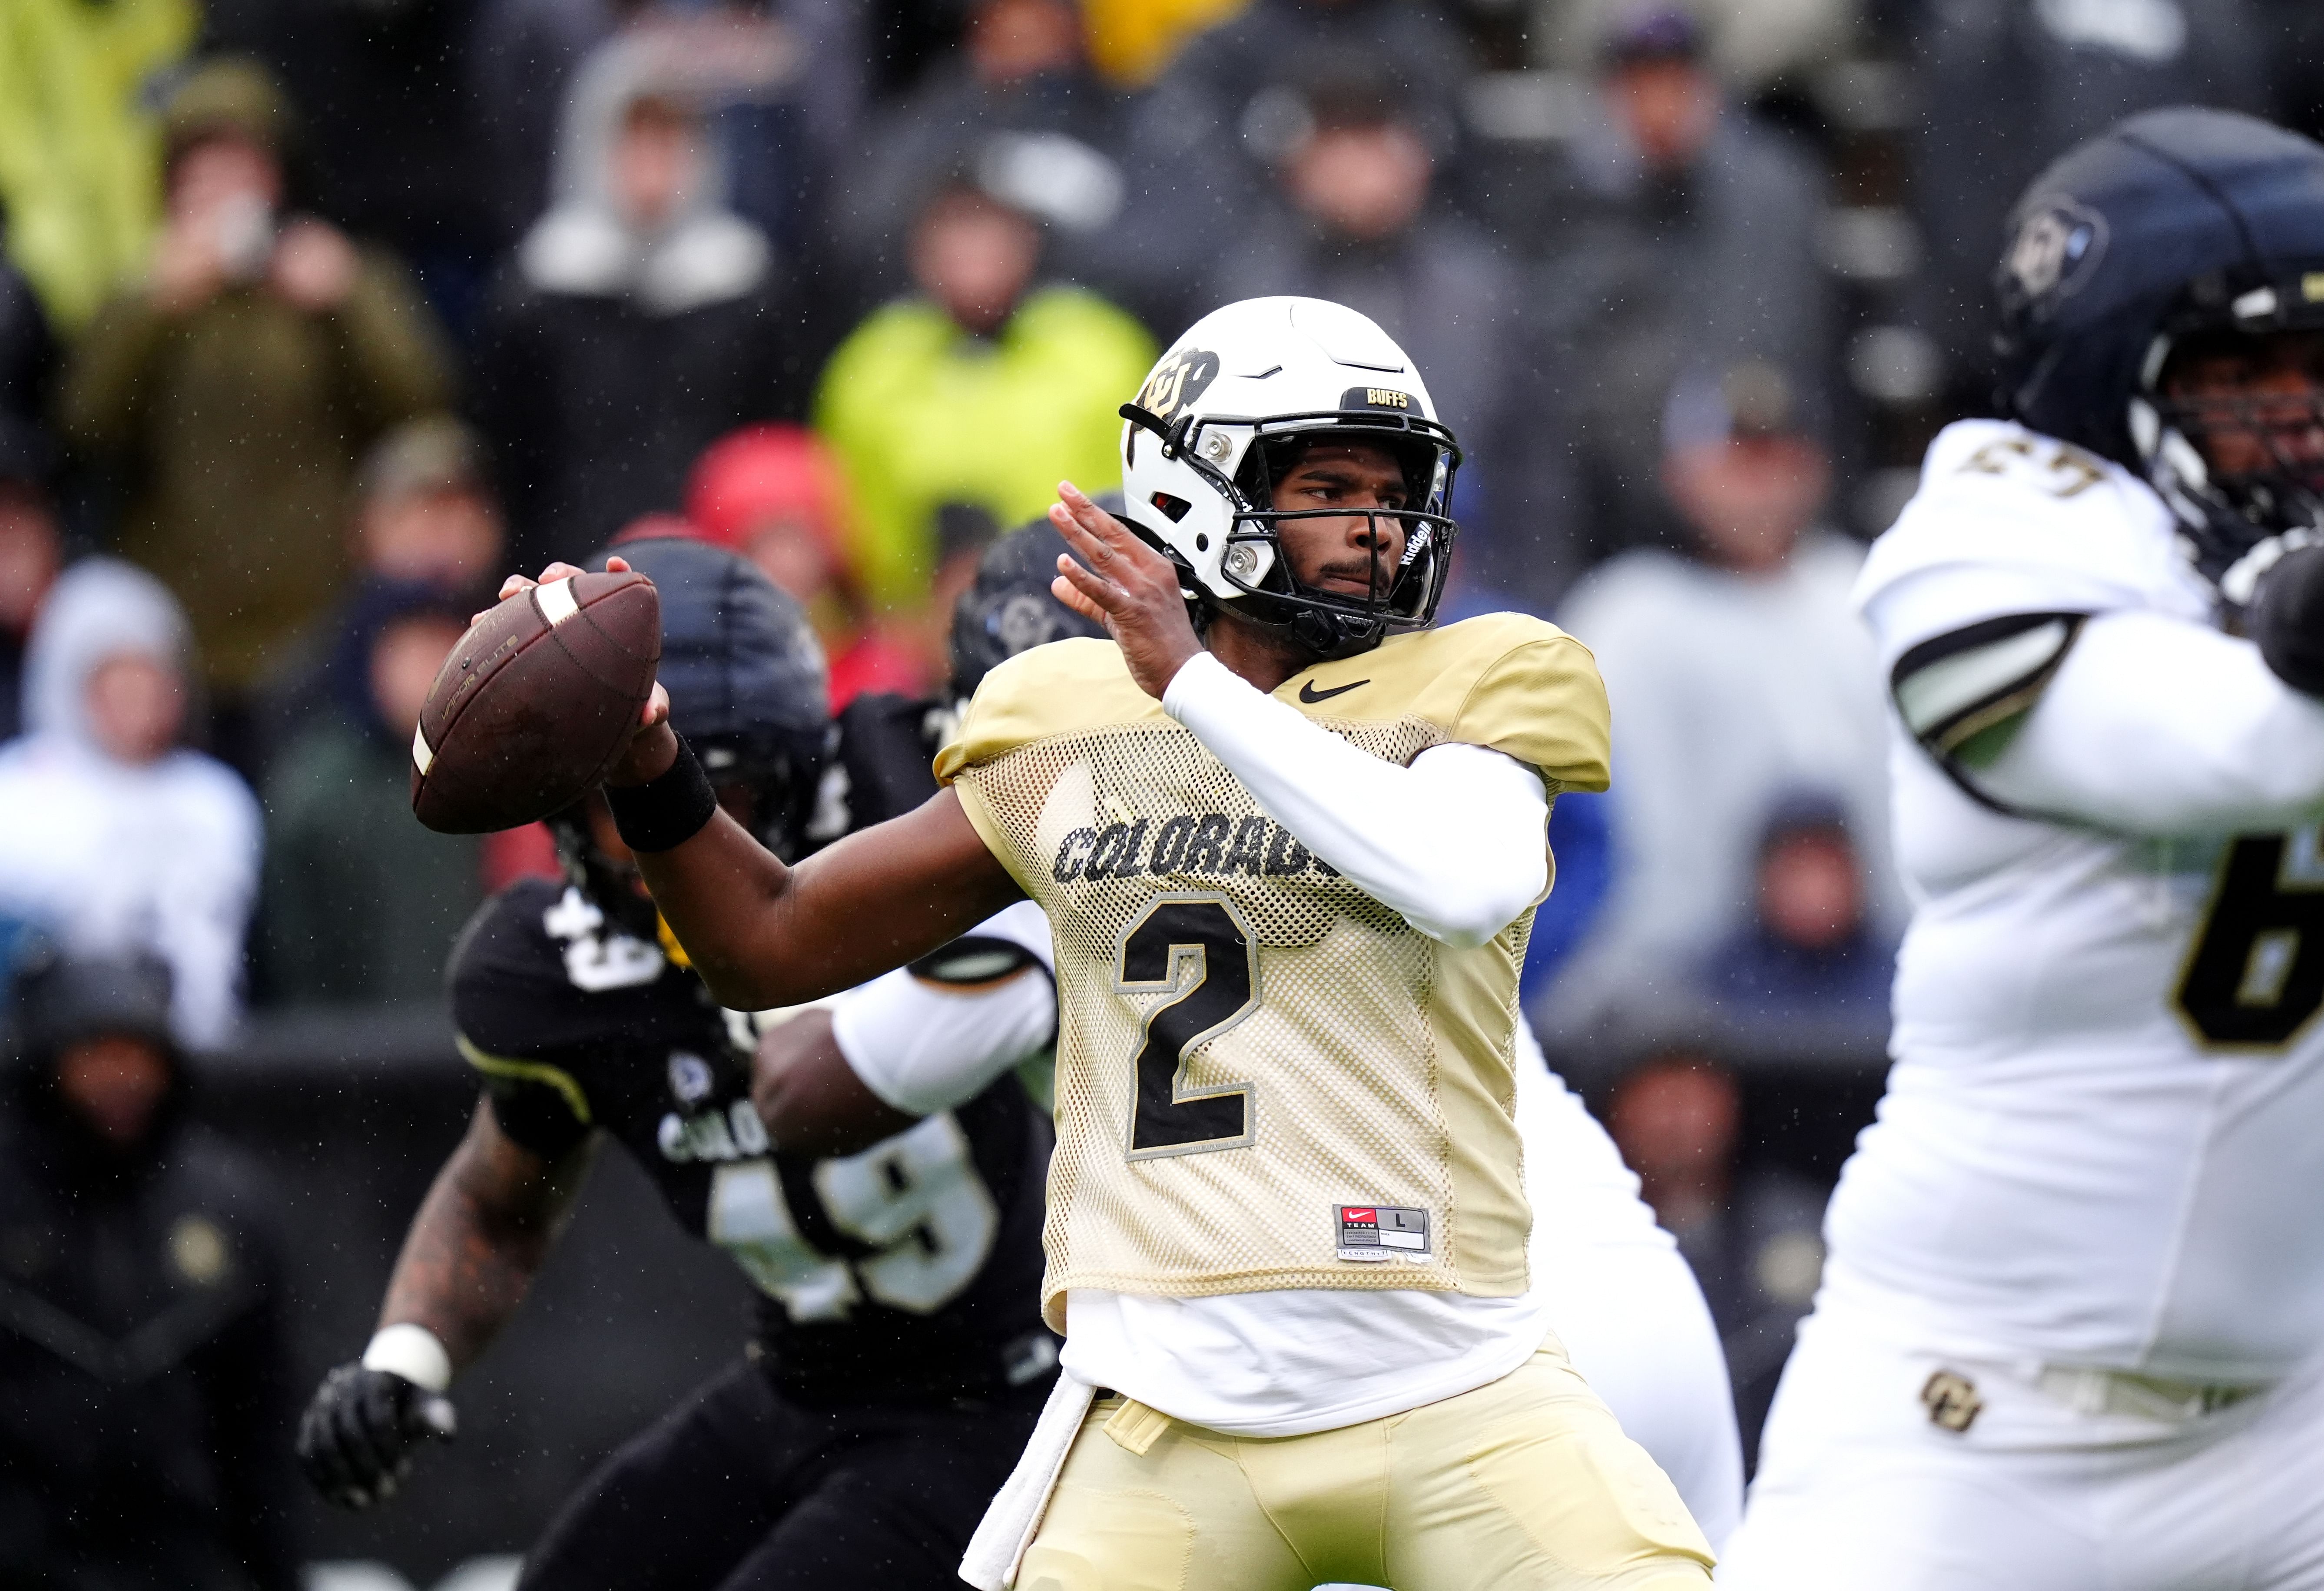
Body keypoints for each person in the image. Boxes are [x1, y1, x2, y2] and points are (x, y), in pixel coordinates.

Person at [523, 297, 1716, 1589]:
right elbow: (768, 938)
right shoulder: (1067, 719)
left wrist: (1189, 684)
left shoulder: (1474, 674)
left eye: (1393, 488)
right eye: (1327, 485)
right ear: (1197, 492)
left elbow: (1466, 878)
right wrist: (648, 762)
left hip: (1466, 1363)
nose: (1376, 526)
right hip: (1176, 1406)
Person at [1715, 108, 2324, 1589]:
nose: (2302, 415)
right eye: (2247, 374)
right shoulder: (1984, 541)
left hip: (2291, 1432)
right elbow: (2238, 752)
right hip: (1971, 1425)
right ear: (2110, 378)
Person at [295, 532, 1061, 1591]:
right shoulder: (553, 969)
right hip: (799, 1382)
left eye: (721, 791)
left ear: (797, 777)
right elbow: (499, 1200)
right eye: (626, 795)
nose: (668, 833)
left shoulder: (902, 794)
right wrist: (404, 1357)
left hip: (1003, 1395)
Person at [59, 58, 452, 770]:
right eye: (201, 176)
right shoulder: (147, 296)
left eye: (240, 172)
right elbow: (85, 426)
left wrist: (349, 300)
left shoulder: (334, 282)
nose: (222, 197)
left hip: (315, 622)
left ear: (278, 180)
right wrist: (149, 309)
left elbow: (423, 409)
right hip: (184, 633)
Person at [1541, 362, 1891, 1031]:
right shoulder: (1621, 617)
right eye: (1736, 461)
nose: (1759, 487)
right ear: (1681, 472)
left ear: (1815, 468)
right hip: (1660, 1003)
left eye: (1778, 459)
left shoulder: (1867, 599)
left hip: (1857, 990)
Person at [0, 946, 298, 1588]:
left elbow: (261, 1437)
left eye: (138, 1053)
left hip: (189, 1565)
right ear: (46, 1061)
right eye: (96, 1052)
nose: (122, 1077)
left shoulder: (230, 1206)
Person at [473, 62, 806, 570]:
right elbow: (514, 458)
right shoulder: (540, 293)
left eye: (668, 143)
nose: (651, 166)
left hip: (712, 566)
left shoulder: (746, 289)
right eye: (634, 143)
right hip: (569, 563)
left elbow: (766, 448)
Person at [812, 175, 1154, 613]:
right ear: (920, 252)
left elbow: (1141, 486)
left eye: (987, 235)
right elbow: (846, 505)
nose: (971, 258)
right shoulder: (874, 362)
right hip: (918, 627)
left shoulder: (1100, 348)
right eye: (953, 236)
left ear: (1027, 242)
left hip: (1080, 611)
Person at [0, 559, 262, 1048]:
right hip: (69, 1069)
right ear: (70, 683)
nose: (140, 699)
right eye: (119, 679)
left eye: (152, 676)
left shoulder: (215, 799)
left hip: (206, 1057)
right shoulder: (18, 798)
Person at [259, 583, 480, 1005]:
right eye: (413, 652)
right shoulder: (319, 786)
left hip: (470, 1030)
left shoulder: (496, 765)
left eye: (447, 650)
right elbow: (296, 946)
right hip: (354, 1047)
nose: (432, 671)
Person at [686, 423, 924, 707]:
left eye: (798, 540)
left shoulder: (878, 669)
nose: (785, 563)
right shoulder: (706, 671)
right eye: (764, 541)